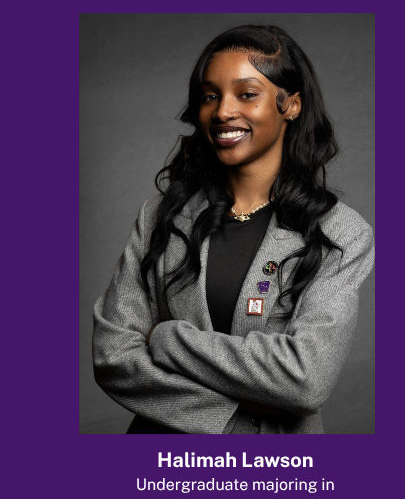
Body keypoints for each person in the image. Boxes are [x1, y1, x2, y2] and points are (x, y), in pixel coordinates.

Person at [93, 25, 374, 434]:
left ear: (290, 105)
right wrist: (244, 408)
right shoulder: (159, 217)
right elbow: (113, 356)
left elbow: (305, 379)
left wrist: (167, 339)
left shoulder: (340, 232)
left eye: (246, 94)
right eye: (210, 96)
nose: (223, 111)